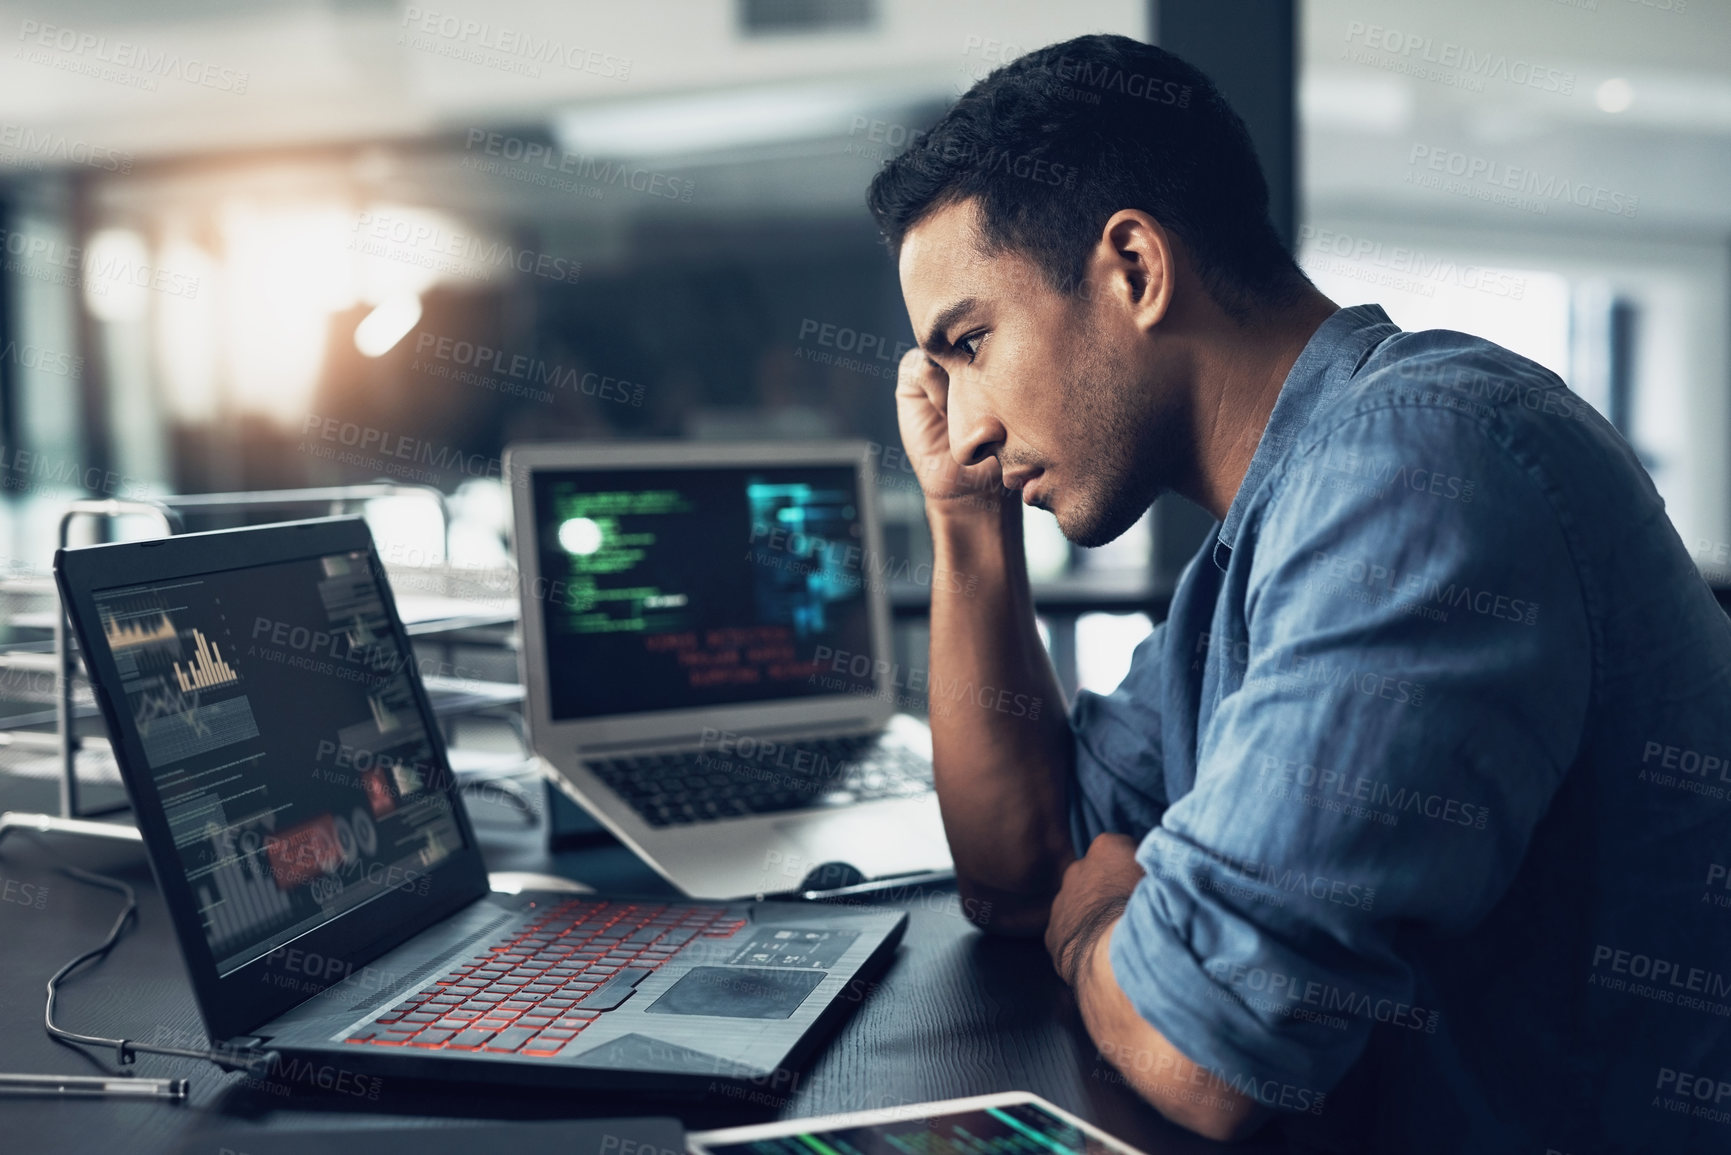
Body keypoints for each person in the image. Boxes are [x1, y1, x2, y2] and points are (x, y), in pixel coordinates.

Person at [866, 32, 1731, 1152]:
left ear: (1134, 267)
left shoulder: (1421, 466)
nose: (968, 426)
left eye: (971, 343)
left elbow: (1209, 1043)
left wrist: (1096, 932)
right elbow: (1026, 867)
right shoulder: (1256, 550)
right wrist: (963, 521)